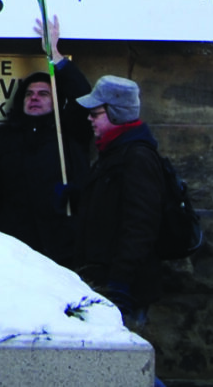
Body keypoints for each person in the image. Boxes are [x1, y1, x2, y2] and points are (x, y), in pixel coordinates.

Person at [0, 18, 95, 269]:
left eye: (43, 94)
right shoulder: (3, 138)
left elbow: (83, 97)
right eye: (29, 93)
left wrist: (55, 55)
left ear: (56, 101)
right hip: (12, 246)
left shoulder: (70, 132)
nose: (34, 98)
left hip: (60, 245)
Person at [74, 73, 169, 321]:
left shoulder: (136, 157)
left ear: (116, 113)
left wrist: (121, 281)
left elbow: (141, 224)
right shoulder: (113, 152)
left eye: (95, 114)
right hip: (103, 281)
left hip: (123, 288)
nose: (89, 119)